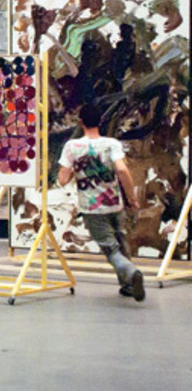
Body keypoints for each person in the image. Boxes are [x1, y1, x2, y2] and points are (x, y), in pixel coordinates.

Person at [57, 101, 144, 302]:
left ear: (81, 121)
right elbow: (121, 170)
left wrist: (76, 168)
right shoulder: (111, 144)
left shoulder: (72, 147)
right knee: (121, 242)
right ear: (101, 120)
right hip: (114, 204)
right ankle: (128, 286)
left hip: (92, 208)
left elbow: (62, 179)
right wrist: (132, 198)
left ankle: (131, 273)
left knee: (111, 250)